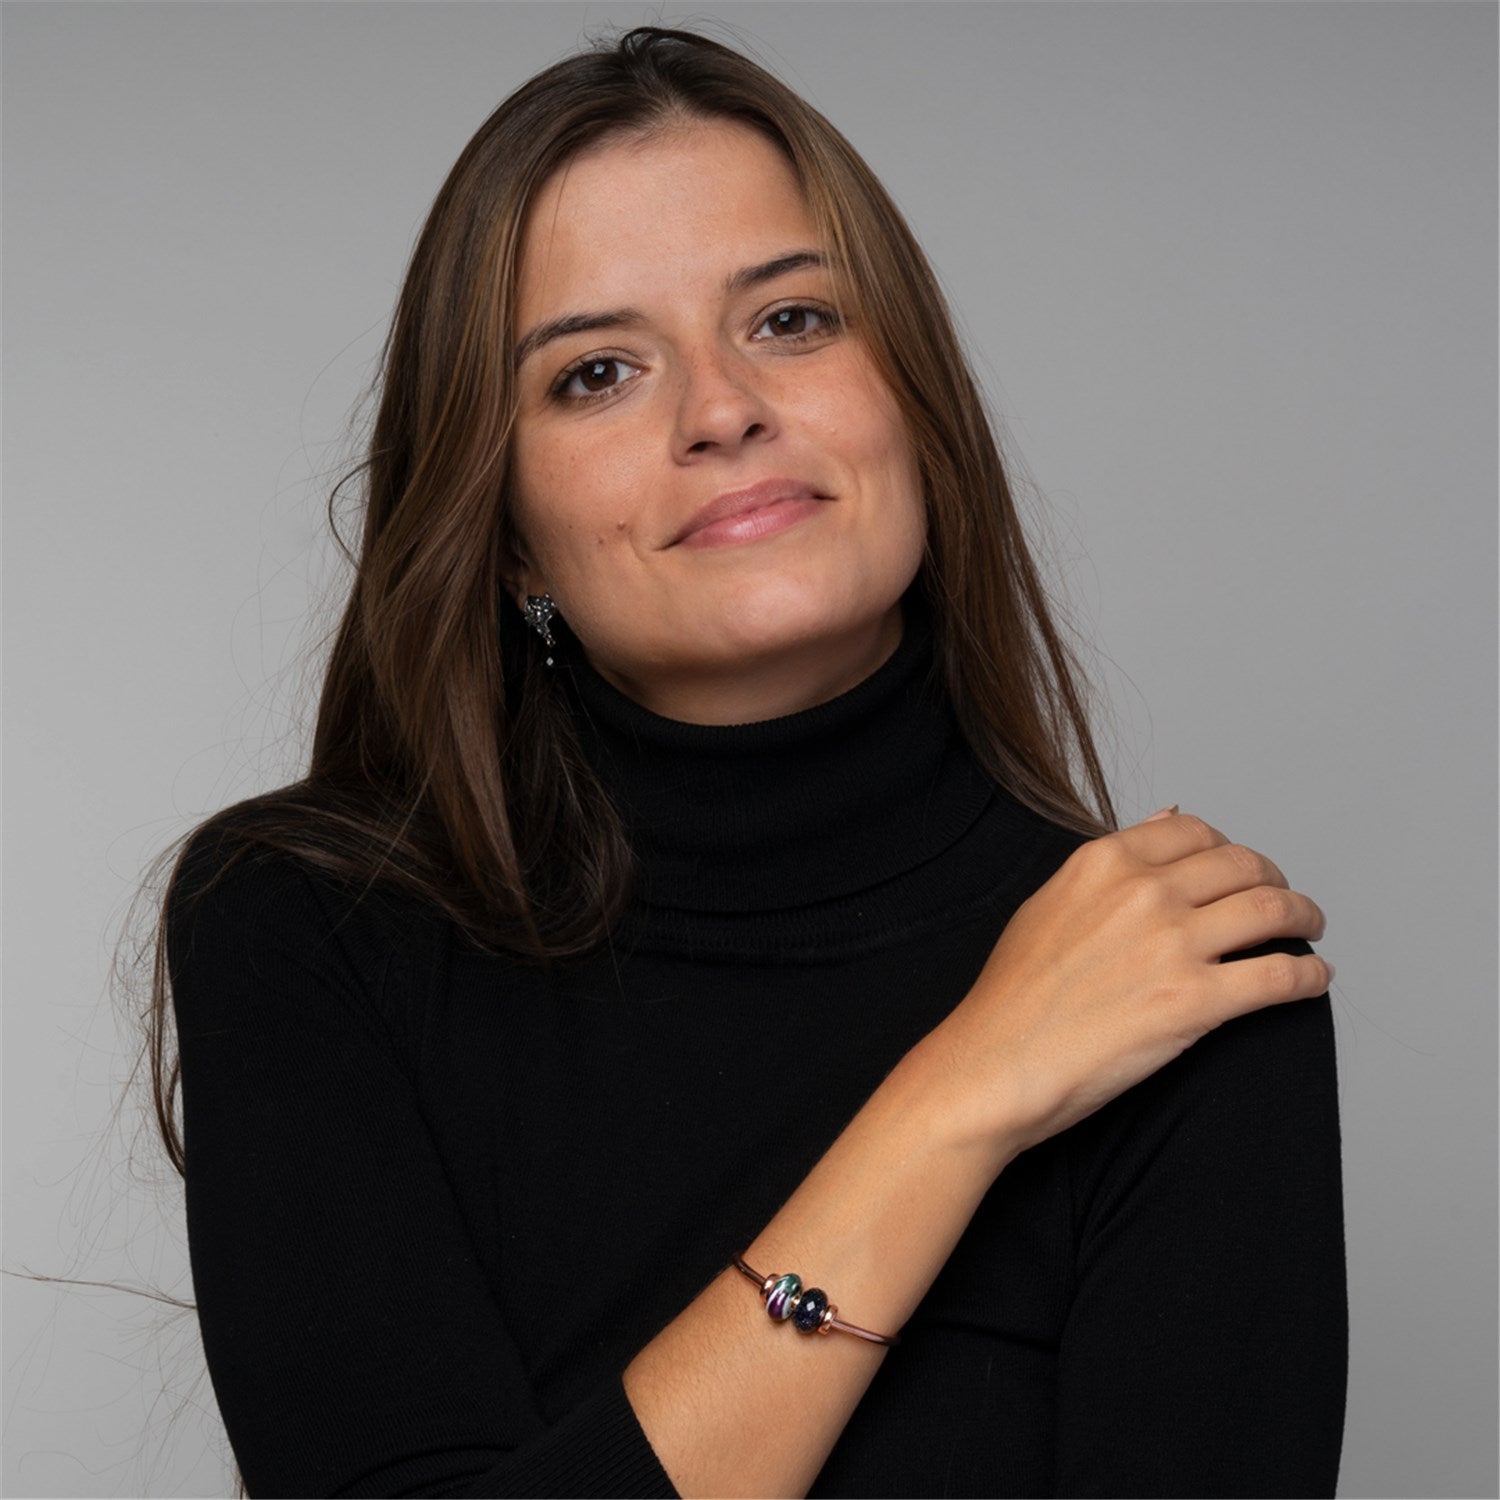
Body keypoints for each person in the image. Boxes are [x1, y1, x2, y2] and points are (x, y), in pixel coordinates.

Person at [154, 25, 1346, 1499]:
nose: (722, 410)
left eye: (790, 319)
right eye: (597, 372)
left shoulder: (1175, 972)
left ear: (914, 399)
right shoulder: (311, 926)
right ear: (509, 536)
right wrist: (954, 1103)